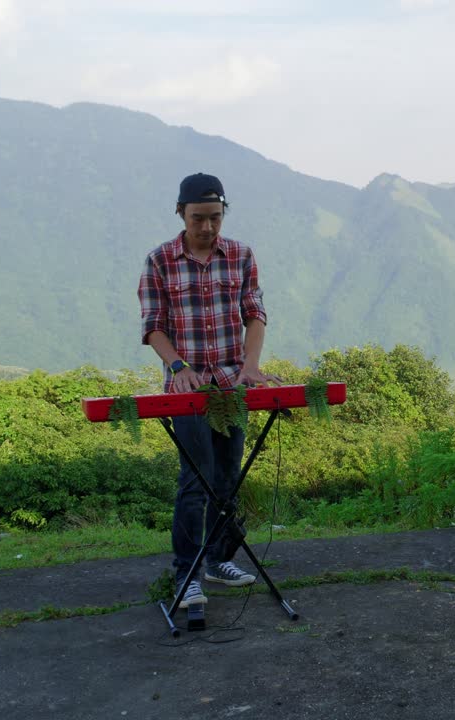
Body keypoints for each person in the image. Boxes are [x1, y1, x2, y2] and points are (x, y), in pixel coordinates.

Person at [139, 172, 282, 610]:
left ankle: (220, 560)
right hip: (188, 386)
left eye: (215, 218)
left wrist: (251, 365)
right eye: (198, 218)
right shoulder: (161, 259)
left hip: (231, 385)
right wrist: (178, 366)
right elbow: (153, 326)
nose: (207, 227)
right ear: (181, 213)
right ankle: (187, 574)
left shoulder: (240, 255)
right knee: (194, 482)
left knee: (227, 479)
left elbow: (254, 313)